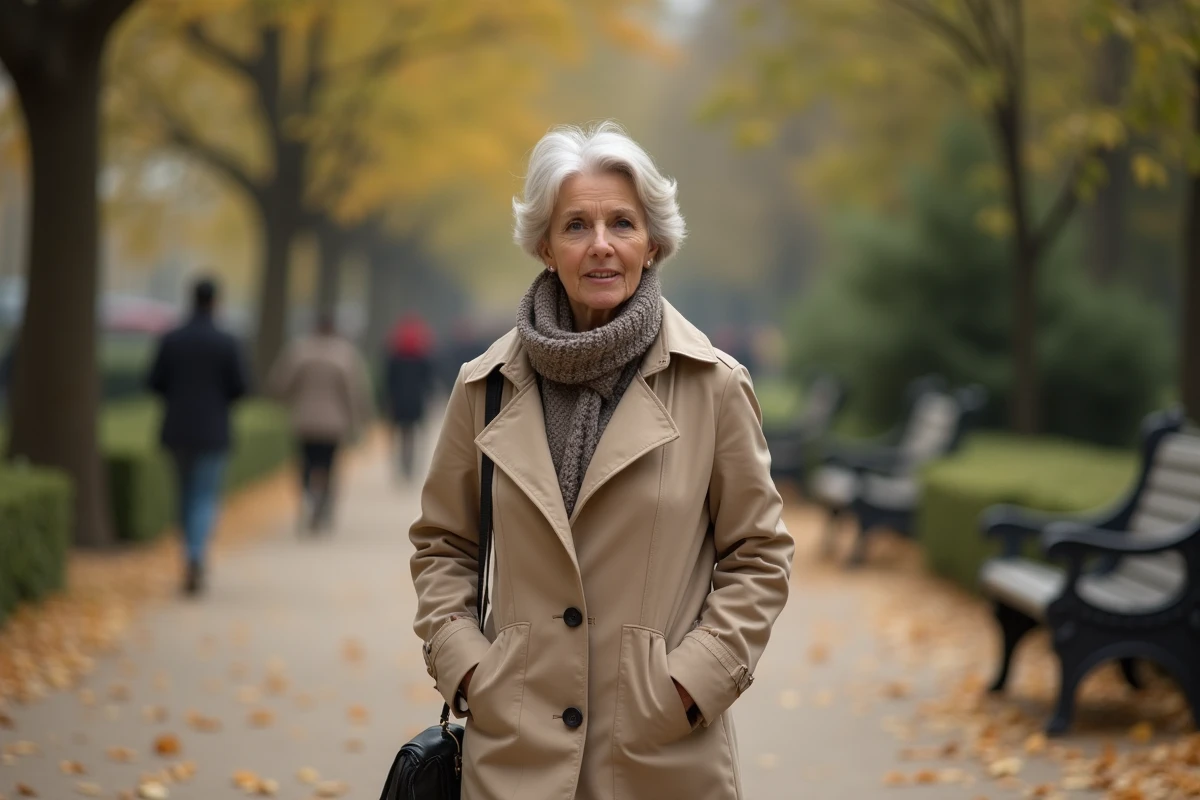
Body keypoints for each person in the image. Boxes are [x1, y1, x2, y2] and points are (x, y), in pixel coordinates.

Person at [409, 121, 794, 800]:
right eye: (576, 226)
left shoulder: (715, 385)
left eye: (622, 222)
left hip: (661, 755)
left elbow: (758, 556)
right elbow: (444, 545)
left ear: (653, 243)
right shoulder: (484, 385)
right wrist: (470, 670)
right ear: (544, 245)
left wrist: (690, 683)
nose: (602, 246)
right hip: (514, 755)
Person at [148, 277, 249, 596]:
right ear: (216, 301)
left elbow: (154, 382)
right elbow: (241, 387)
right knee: (204, 495)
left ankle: (188, 553)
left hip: (176, 429)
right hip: (213, 430)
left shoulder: (172, 338)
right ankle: (196, 554)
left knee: (184, 494)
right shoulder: (226, 341)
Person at [267, 313, 373, 532]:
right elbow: (354, 392)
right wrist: (358, 421)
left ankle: (307, 494)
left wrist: (285, 401)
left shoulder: (298, 351)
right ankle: (323, 503)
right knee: (329, 464)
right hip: (334, 423)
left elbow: (281, 383)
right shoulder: (344, 354)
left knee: (305, 462)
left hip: (304, 420)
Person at [384, 314, 435, 481]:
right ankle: (410, 465)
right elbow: (428, 381)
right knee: (412, 434)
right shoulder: (422, 356)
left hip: (398, 401)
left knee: (400, 434)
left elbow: (388, 380)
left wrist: (386, 400)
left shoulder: (394, 356)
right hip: (416, 401)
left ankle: (401, 464)